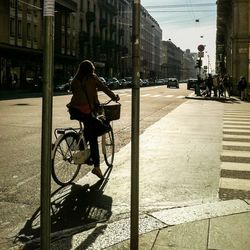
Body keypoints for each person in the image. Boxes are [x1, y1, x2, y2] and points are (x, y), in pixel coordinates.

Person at [68, 60, 120, 179]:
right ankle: (96, 167)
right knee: (93, 136)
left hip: (74, 110)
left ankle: (82, 149)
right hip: (86, 111)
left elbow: (74, 92)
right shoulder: (93, 78)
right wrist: (114, 97)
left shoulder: (75, 79)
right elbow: (104, 88)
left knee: (88, 130)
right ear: (91, 69)